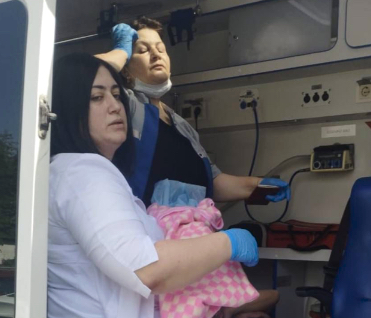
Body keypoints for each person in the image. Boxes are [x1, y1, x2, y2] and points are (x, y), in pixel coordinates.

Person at [47, 53, 290, 318]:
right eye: (96, 97)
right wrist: (229, 243)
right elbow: (148, 269)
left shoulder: (87, 173)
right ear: (69, 108)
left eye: (116, 95)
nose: (114, 106)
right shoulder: (83, 174)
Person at [95, 17, 291, 206]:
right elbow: (85, 73)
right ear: (126, 70)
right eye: (143, 50)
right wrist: (121, 51)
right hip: (145, 226)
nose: (156, 55)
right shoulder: (123, 105)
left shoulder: (181, 125)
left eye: (161, 49)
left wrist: (258, 185)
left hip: (192, 224)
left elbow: (213, 182)